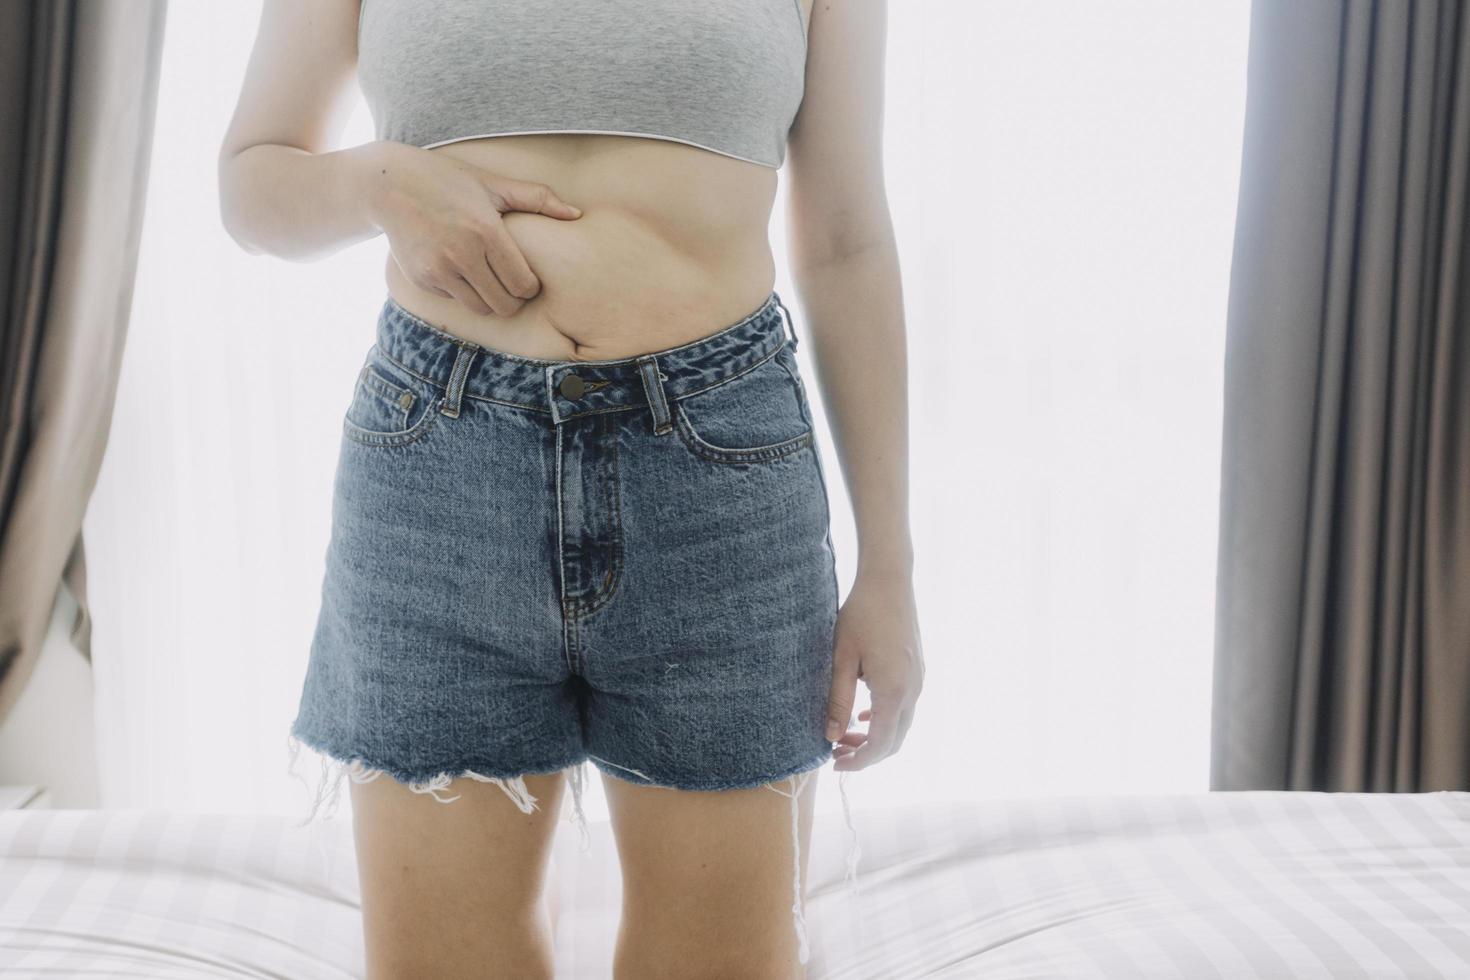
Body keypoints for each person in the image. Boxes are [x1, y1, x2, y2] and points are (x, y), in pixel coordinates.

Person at [218, 0, 922, 976]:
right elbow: (252, 183)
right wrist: (379, 180)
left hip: (717, 478)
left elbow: (847, 238)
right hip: (439, 470)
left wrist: (890, 565)